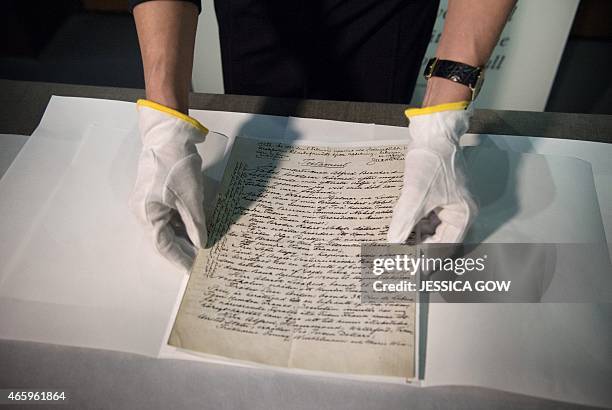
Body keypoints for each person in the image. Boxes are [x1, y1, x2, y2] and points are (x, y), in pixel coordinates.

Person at [128, 0, 516, 269]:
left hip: (384, 13)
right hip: (257, 11)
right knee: (262, 137)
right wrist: (164, 121)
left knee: (370, 142)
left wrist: (440, 123)